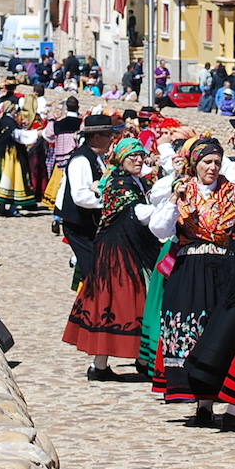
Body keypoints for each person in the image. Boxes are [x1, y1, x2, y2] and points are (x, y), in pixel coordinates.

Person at [146, 137, 235, 426]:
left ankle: (216, 401)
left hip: (224, 268)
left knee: (218, 331)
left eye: (217, 162)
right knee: (191, 329)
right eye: (207, 162)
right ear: (195, 164)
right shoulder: (182, 190)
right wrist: (172, 203)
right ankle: (198, 401)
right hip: (190, 269)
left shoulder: (233, 192)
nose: (213, 167)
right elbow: (159, 229)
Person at [63, 137, 165, 379]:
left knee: (124, 300)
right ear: (121, 159)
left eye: (141, 156)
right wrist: (168, 209)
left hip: (124, 246)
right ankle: (107, 365)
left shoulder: (127, 180)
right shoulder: (121, 184)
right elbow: (138, 213)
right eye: (133, 156)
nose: (139, 160)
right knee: (123, 300)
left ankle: (124, 361)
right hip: (119, 251)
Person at [58, 115, 121, 286]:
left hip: (89, 224)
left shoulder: (96, 158)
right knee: (94, 272)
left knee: (96, 267)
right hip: (80, 226)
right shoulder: (81, 160)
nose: (112, 139)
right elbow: (80, 196)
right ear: (96, 137)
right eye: (108, 135)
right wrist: (110, 199)